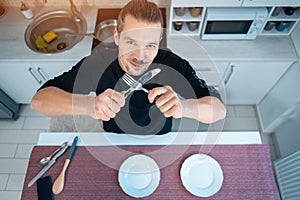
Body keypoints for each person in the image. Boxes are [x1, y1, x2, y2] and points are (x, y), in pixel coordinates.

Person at [31, 0, 226, 135]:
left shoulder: (173, 64)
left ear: (159, 40)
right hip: (114, 136)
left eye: (150, 45)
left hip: (159, 137)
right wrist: (89, 105)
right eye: (131, 42)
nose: (140, 58)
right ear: (117, 36)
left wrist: (183, 107)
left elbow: (218, 110)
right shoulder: (98, 63)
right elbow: (39, 101)